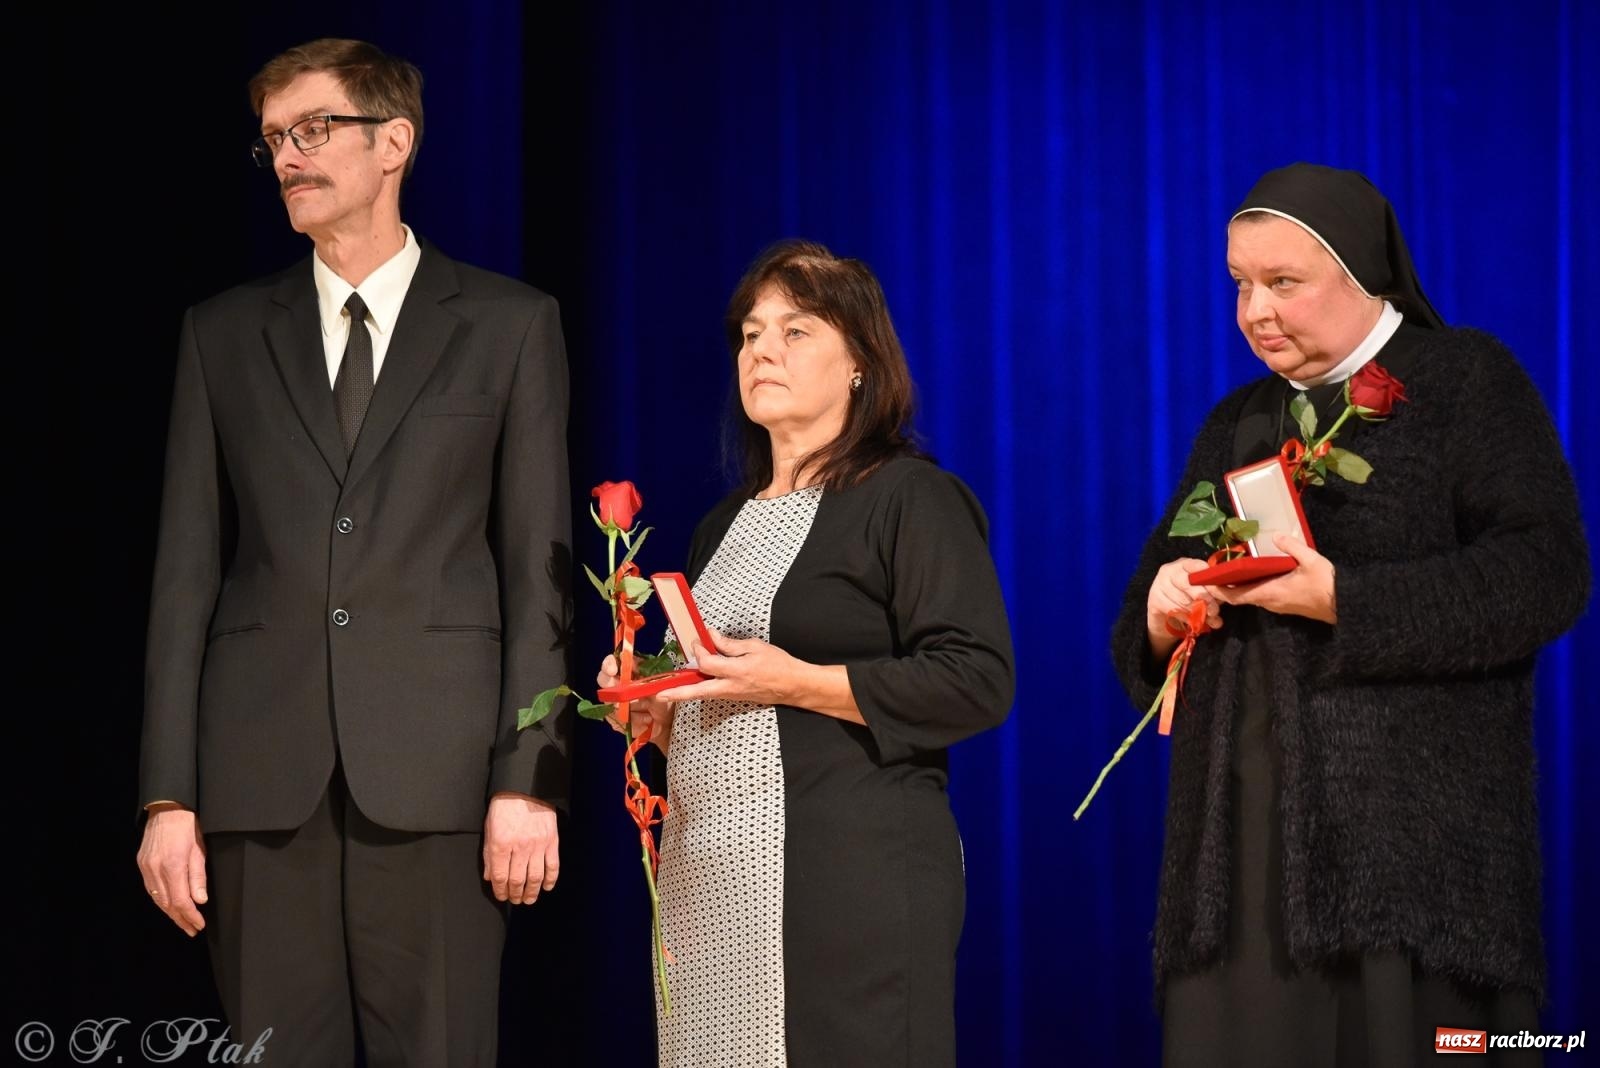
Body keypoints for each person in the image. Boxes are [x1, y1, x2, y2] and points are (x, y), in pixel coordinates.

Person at [135, 38, 572, 1066]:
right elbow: (184, 577)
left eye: (314, 129)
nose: (288, 155)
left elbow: (536, 569)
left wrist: (530, 779)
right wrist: (168, 796)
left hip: (440, 782)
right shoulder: (222, 333)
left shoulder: (509, 325)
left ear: (394, 143)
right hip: (258, 785)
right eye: (274, 140)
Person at [1111, 163, 1590, 1066]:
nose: (1255, 311)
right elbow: (1144, 612)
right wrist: (1163, 613)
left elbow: (1545, 573)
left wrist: (1343, 601)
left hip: (1414, 868)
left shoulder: (1465, 381)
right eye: (1240, 284)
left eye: (1282, 282)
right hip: (1238, 873)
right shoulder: (1237, 421)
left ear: (1364, 274)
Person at [597, 240, 1015, 1066]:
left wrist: (796, 680)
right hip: (709, 882)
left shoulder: (909, 497)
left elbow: (978, 679)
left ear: (860, 362)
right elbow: (731, 701)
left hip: (846, 879)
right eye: (751, 334)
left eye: (795, 332)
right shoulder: (722, 525)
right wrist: (656, 712)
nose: (762, 351)